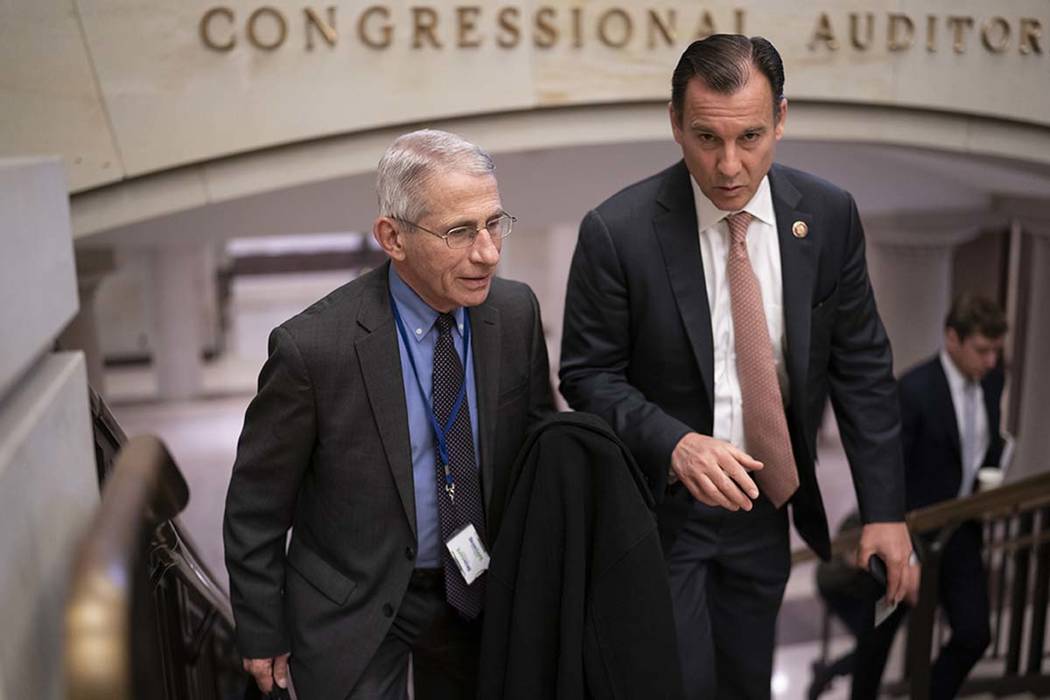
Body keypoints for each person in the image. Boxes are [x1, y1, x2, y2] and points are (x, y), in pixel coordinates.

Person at [559, 34, 913, 699]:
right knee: (677, 684)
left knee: (747, 683)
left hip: (765, 509)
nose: (728, 166)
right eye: (707, 139)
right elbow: (587, 373)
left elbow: (862, 366)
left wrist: (886, 511)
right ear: (674, 123)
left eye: (750, 137)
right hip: (663, 515)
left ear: (781, 118)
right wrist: (676, 445)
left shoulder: (828, 216)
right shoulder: (617, 231)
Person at [223, 129, 554, 700]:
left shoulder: (515, 312)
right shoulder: (313, 349)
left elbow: (538, 449)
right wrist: (260, 628)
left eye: (493, 223)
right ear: (392, 238)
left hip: (476, 590)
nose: (488, 252)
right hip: (353, 601)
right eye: (459, 232)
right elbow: (256, 506)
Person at [852, 293, 1007, 700]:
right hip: (909, 531)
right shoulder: (915, 389)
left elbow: (985, 440)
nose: (991, 361)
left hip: (961, 528)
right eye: (982, 350)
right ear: (952, 338)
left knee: (975, 633)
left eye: (996, 351)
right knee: (877, 641)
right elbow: (891, 472)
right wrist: (909, 553)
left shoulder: (994, 378)